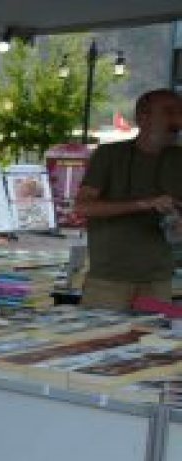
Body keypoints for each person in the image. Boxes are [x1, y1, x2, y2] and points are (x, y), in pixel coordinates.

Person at [74, 88, 182, 310]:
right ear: (143, 117)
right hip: (109, 279)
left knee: (154, 341)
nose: (177, 120)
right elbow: (83, 207)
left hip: (158, 280)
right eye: (169, 112)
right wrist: (144, 204)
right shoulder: (109, 155)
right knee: (100, 340)